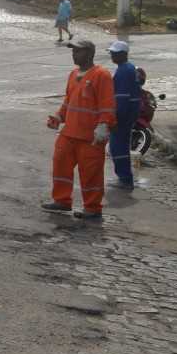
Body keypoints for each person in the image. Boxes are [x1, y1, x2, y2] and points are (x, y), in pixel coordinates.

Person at [42, 39, 116, 219]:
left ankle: (92, 208)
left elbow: (107, 105)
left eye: (78, 51)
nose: (74, 54)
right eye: (73, 51)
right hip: (69, 133)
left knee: (91, 173)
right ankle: (62, 200)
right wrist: (59, 117)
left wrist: (104, 125)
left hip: (90, 137)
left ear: (89, 53)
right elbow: (69, 101)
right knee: (60, 163)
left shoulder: (101, 75)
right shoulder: (73, 74)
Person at [108, 40, 140, 190]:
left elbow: (121, 98)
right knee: (120, 146)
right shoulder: (129, 68)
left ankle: (125, 178)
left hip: (123, 115)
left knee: (117, 147)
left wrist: (115, 118)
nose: (112, 55)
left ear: (124, 54)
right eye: (112, 52)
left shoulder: (123, 71)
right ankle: (124, 177)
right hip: (130, 113)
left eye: (115, 53)